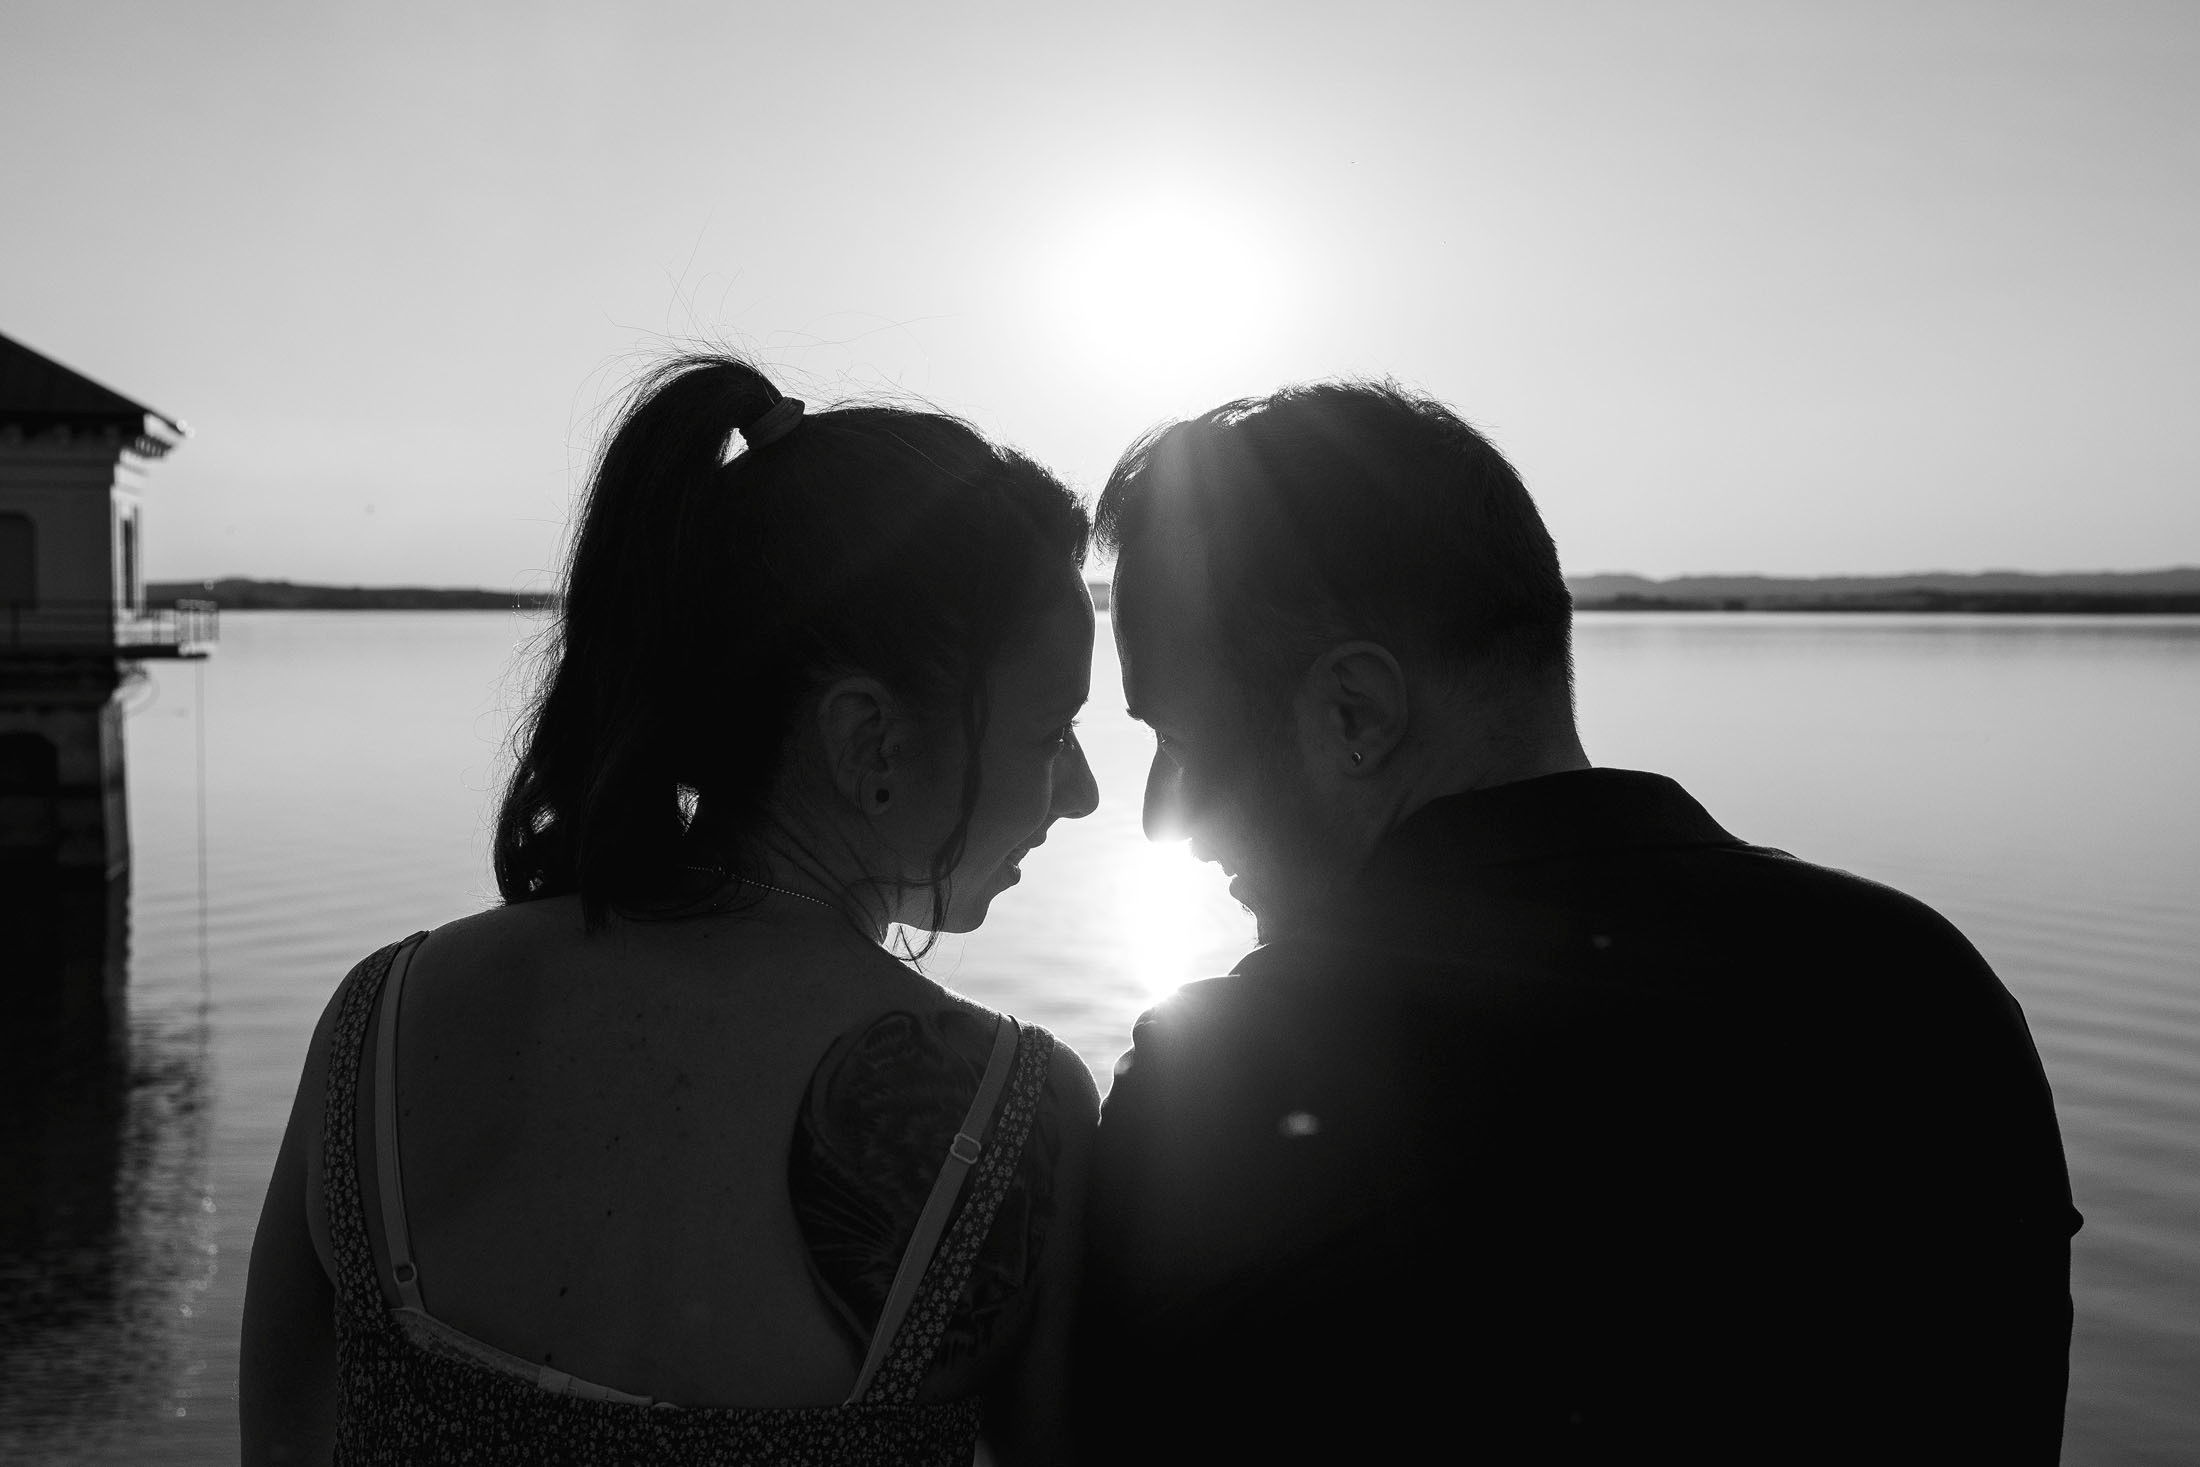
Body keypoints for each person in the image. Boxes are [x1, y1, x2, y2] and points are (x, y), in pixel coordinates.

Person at [1073, 382, 2079, 1464]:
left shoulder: (1224, 1085)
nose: (1161, 815)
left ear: (1354, 711)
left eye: (1179, 739)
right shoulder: (1921, 992)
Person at [241, 356, 1102, 1465]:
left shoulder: (380, 1018)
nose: (1082, 791)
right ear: (868, 740)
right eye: (1052, 732)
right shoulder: (1014, 1116)